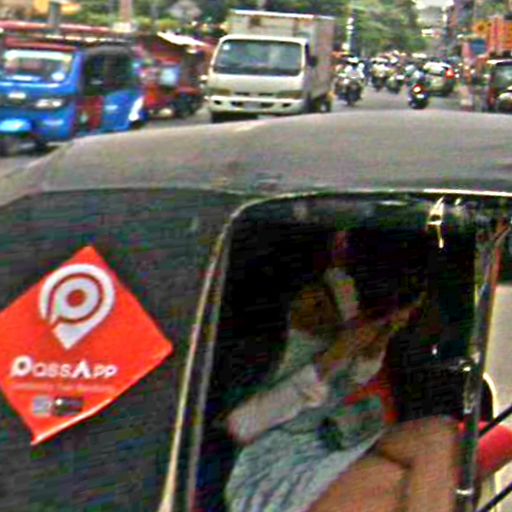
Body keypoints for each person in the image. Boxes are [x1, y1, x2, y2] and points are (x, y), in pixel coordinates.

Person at [223, 239, 459, 512]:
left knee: (438, 436)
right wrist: (332, 358)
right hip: (271, 466)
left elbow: (343, 386)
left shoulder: (343, 308)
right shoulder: (264, 343)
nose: (320, 310)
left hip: (323, 444)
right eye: (315, 300)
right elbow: (241, 426)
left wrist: (377, 339)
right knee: (397, 483)